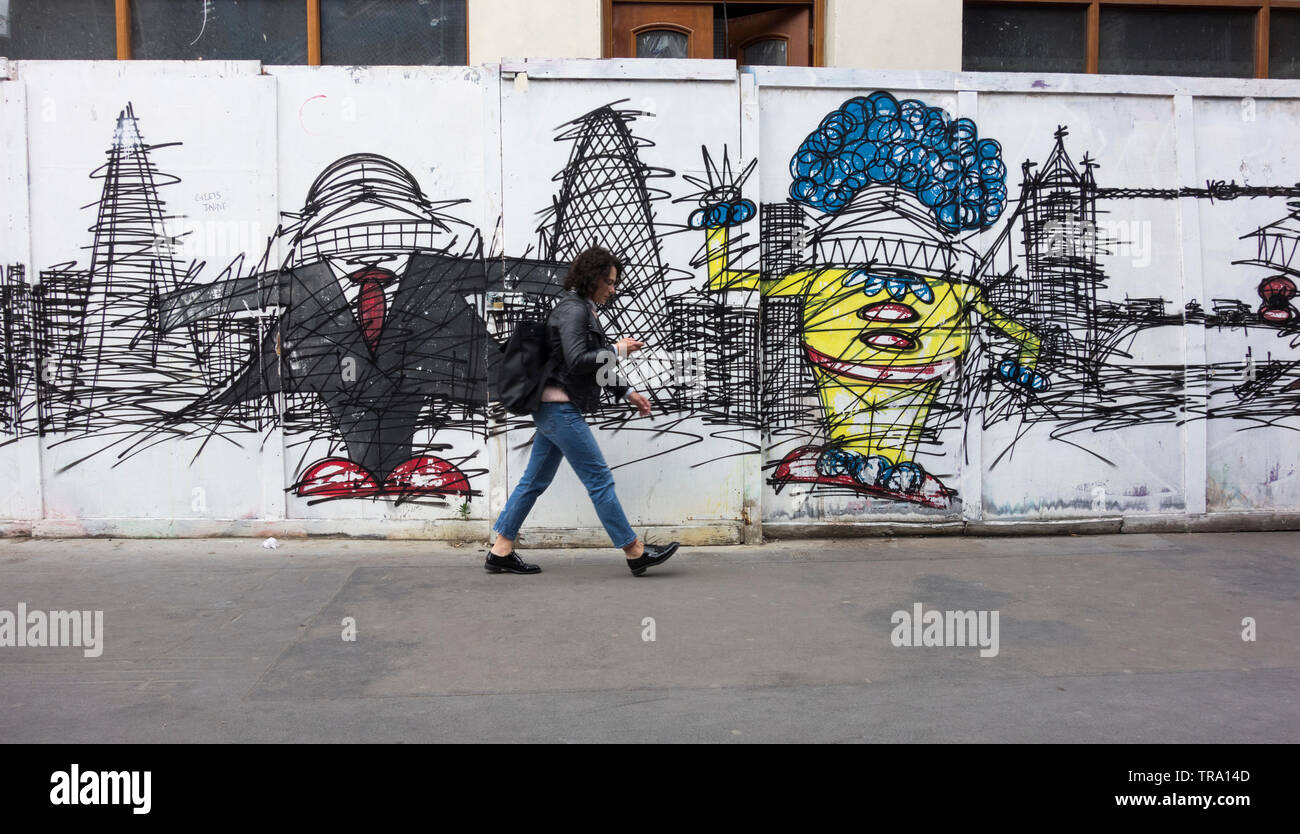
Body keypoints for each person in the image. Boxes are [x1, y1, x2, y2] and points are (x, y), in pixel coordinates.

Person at [486, 246, 680, 576]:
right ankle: (635, 551)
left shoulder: (581, 309)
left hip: (554, 408)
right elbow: (578, 361)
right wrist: (619, 348)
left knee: (534, 480)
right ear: (592, 279)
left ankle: (500, 550)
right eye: (609, 281)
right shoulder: (574, 311)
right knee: (599, 479)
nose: (613, 288)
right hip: (560, 410)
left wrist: (628, 392)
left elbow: (590, 364)